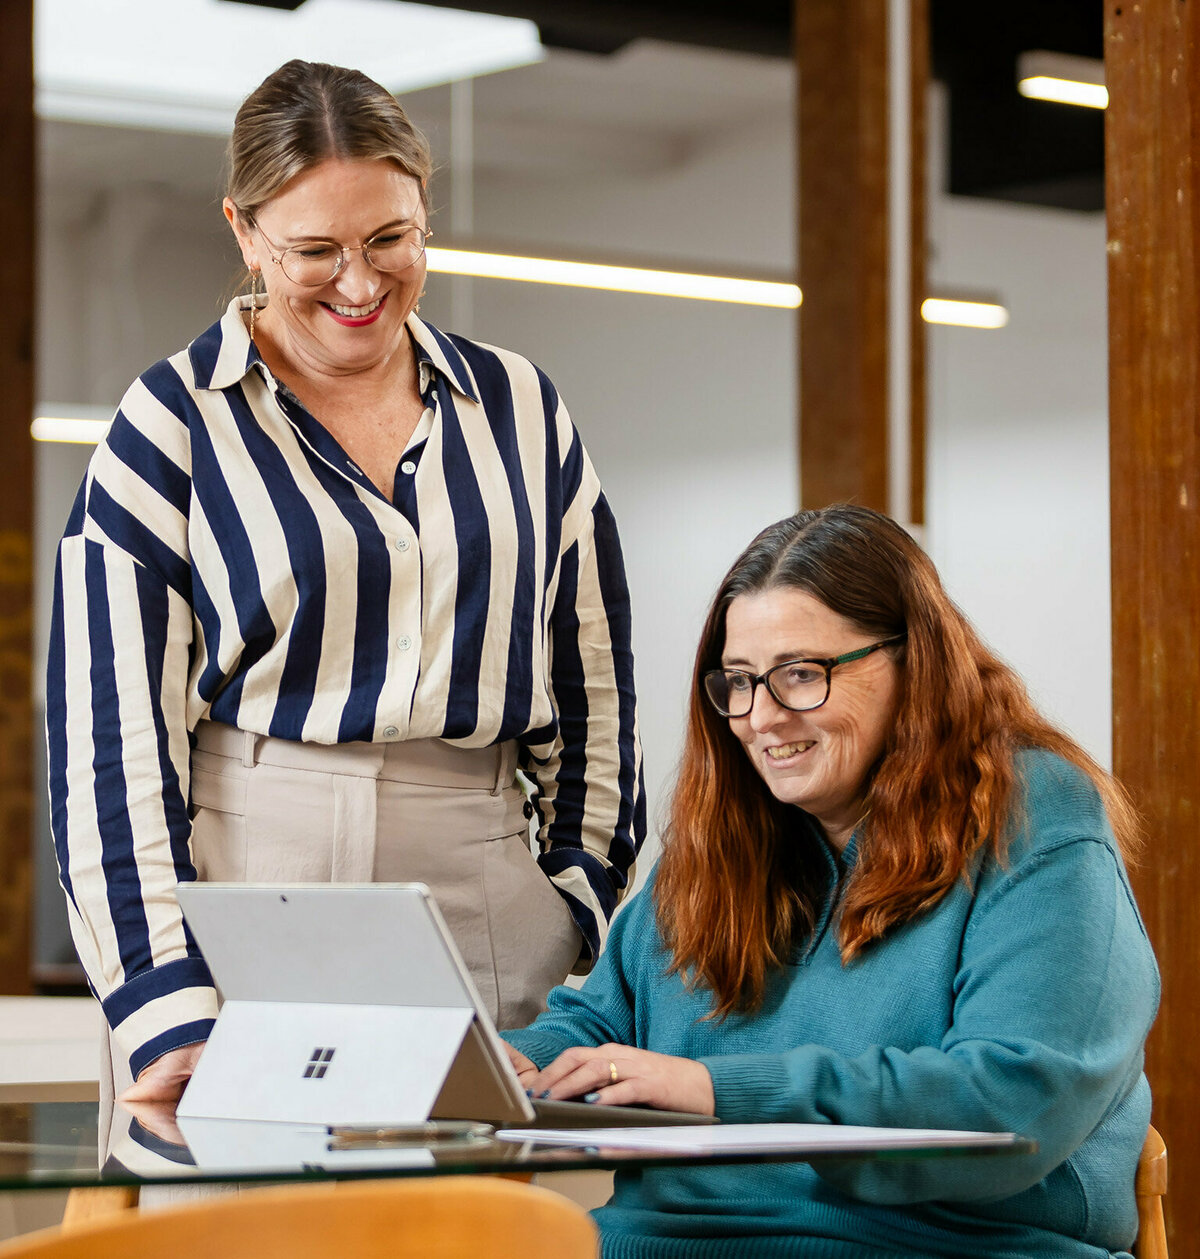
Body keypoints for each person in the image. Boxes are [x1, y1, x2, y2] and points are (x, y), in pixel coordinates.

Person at [47, 59, 644, 1155]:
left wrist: (575, 915)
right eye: (315, 249)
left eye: (390, 238)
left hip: (486, 898)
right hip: (248, 911)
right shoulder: (169, 426)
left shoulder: (522, 409)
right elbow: (108, 751)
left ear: (425, 208)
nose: (360, 282)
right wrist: (164, 1002)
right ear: (243, 231)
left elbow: (592, 694)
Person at [504, 504, 1158, 1259]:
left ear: (916, 661)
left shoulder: (1036, 816)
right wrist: (512, 1064)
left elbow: (1011, 1105)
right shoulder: (727, 836)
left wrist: (722, 1092)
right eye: (740, 681)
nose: (762, 718)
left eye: (801, 675)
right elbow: (602, 1026)